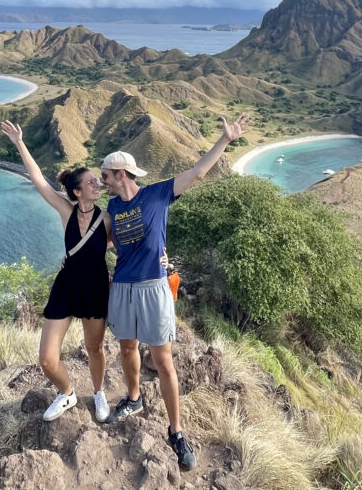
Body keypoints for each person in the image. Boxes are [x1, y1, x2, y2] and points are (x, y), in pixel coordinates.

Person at [100, 113, 247, 470]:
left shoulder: (158, 194)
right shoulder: (112, 208)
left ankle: (176, 432)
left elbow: (197, 172)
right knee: (127, 346)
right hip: (122, 287)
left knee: (163, 362)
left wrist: (225, 140)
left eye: (104, 175)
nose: (102, 180)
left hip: (153, 287)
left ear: (121, 175)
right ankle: (133, 397)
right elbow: (97, 244)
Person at [0, 119, 113, 423]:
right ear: (76, 192)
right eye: (91, 182)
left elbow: (130, 245)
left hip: (95, 286)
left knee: (94, 347)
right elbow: (37, 179)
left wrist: (160, 257)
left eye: (97, 181)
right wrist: (19, 143)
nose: (97, 184)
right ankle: (67, 392)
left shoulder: (107, 218)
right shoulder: (66, 210)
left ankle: (99, 391)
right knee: (47, 360)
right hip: (66, 284)